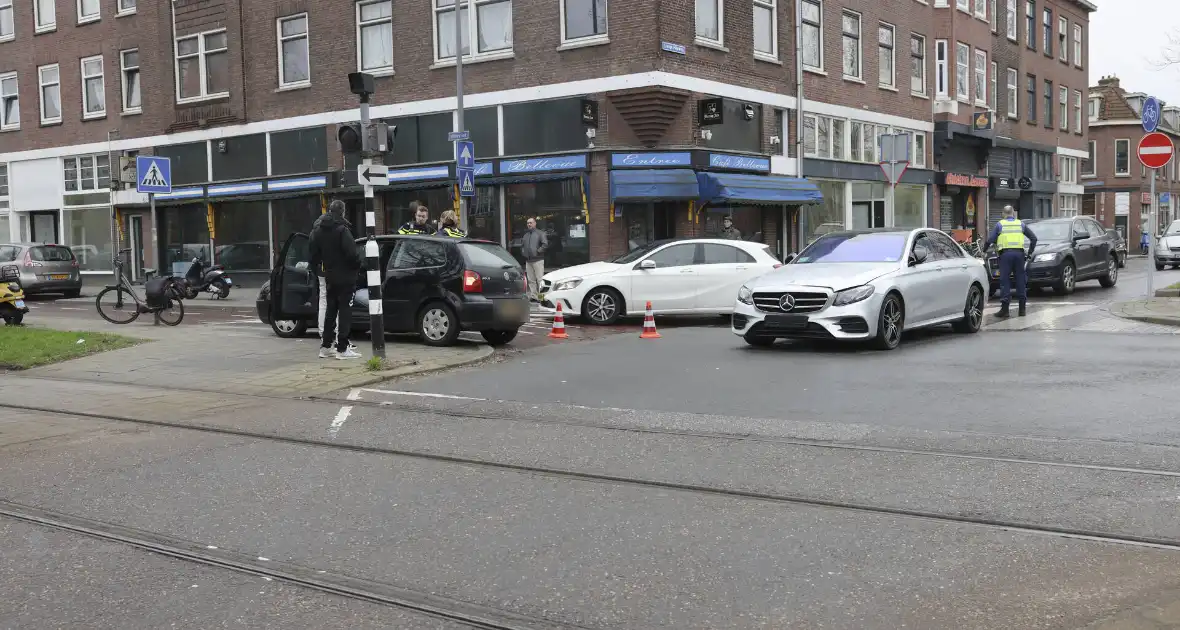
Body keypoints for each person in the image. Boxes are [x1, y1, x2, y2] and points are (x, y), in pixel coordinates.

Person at [309, 200, 363, 359]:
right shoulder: (342, 230)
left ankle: (326, 346)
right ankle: (342, 348)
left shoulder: (318, 231)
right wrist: (356, 267)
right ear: (342, 212)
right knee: (345, 310)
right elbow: (352, 254)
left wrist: (320, 268)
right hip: (346, 276)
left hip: (330, 275)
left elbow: (313, 254)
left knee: (330, 311)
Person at [983, 205, 1038, 318]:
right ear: (1013, 213)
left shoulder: (1000, 224)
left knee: (1005, 281)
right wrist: (1030, 253)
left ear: (1003, 214)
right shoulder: (1020, 224)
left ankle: (1005, 310)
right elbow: (1033, 238)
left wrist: (984, 251)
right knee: (1020, 281)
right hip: (1019, 255)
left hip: (1006, 255)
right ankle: (1022, 310)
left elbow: (990, 240)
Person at [521, 217, 548, 301]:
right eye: (528, 223)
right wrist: (523, 253)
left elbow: (545, 244)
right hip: (528, 261)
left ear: (535, 223)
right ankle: (534, 296)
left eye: (531, 223)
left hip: (538, 260)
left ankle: (541, 298)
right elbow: (522, 246)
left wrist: (538, 252)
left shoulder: (540, 233)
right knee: (531, 280)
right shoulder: (526, 235)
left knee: (540, 280)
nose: (529, 224)